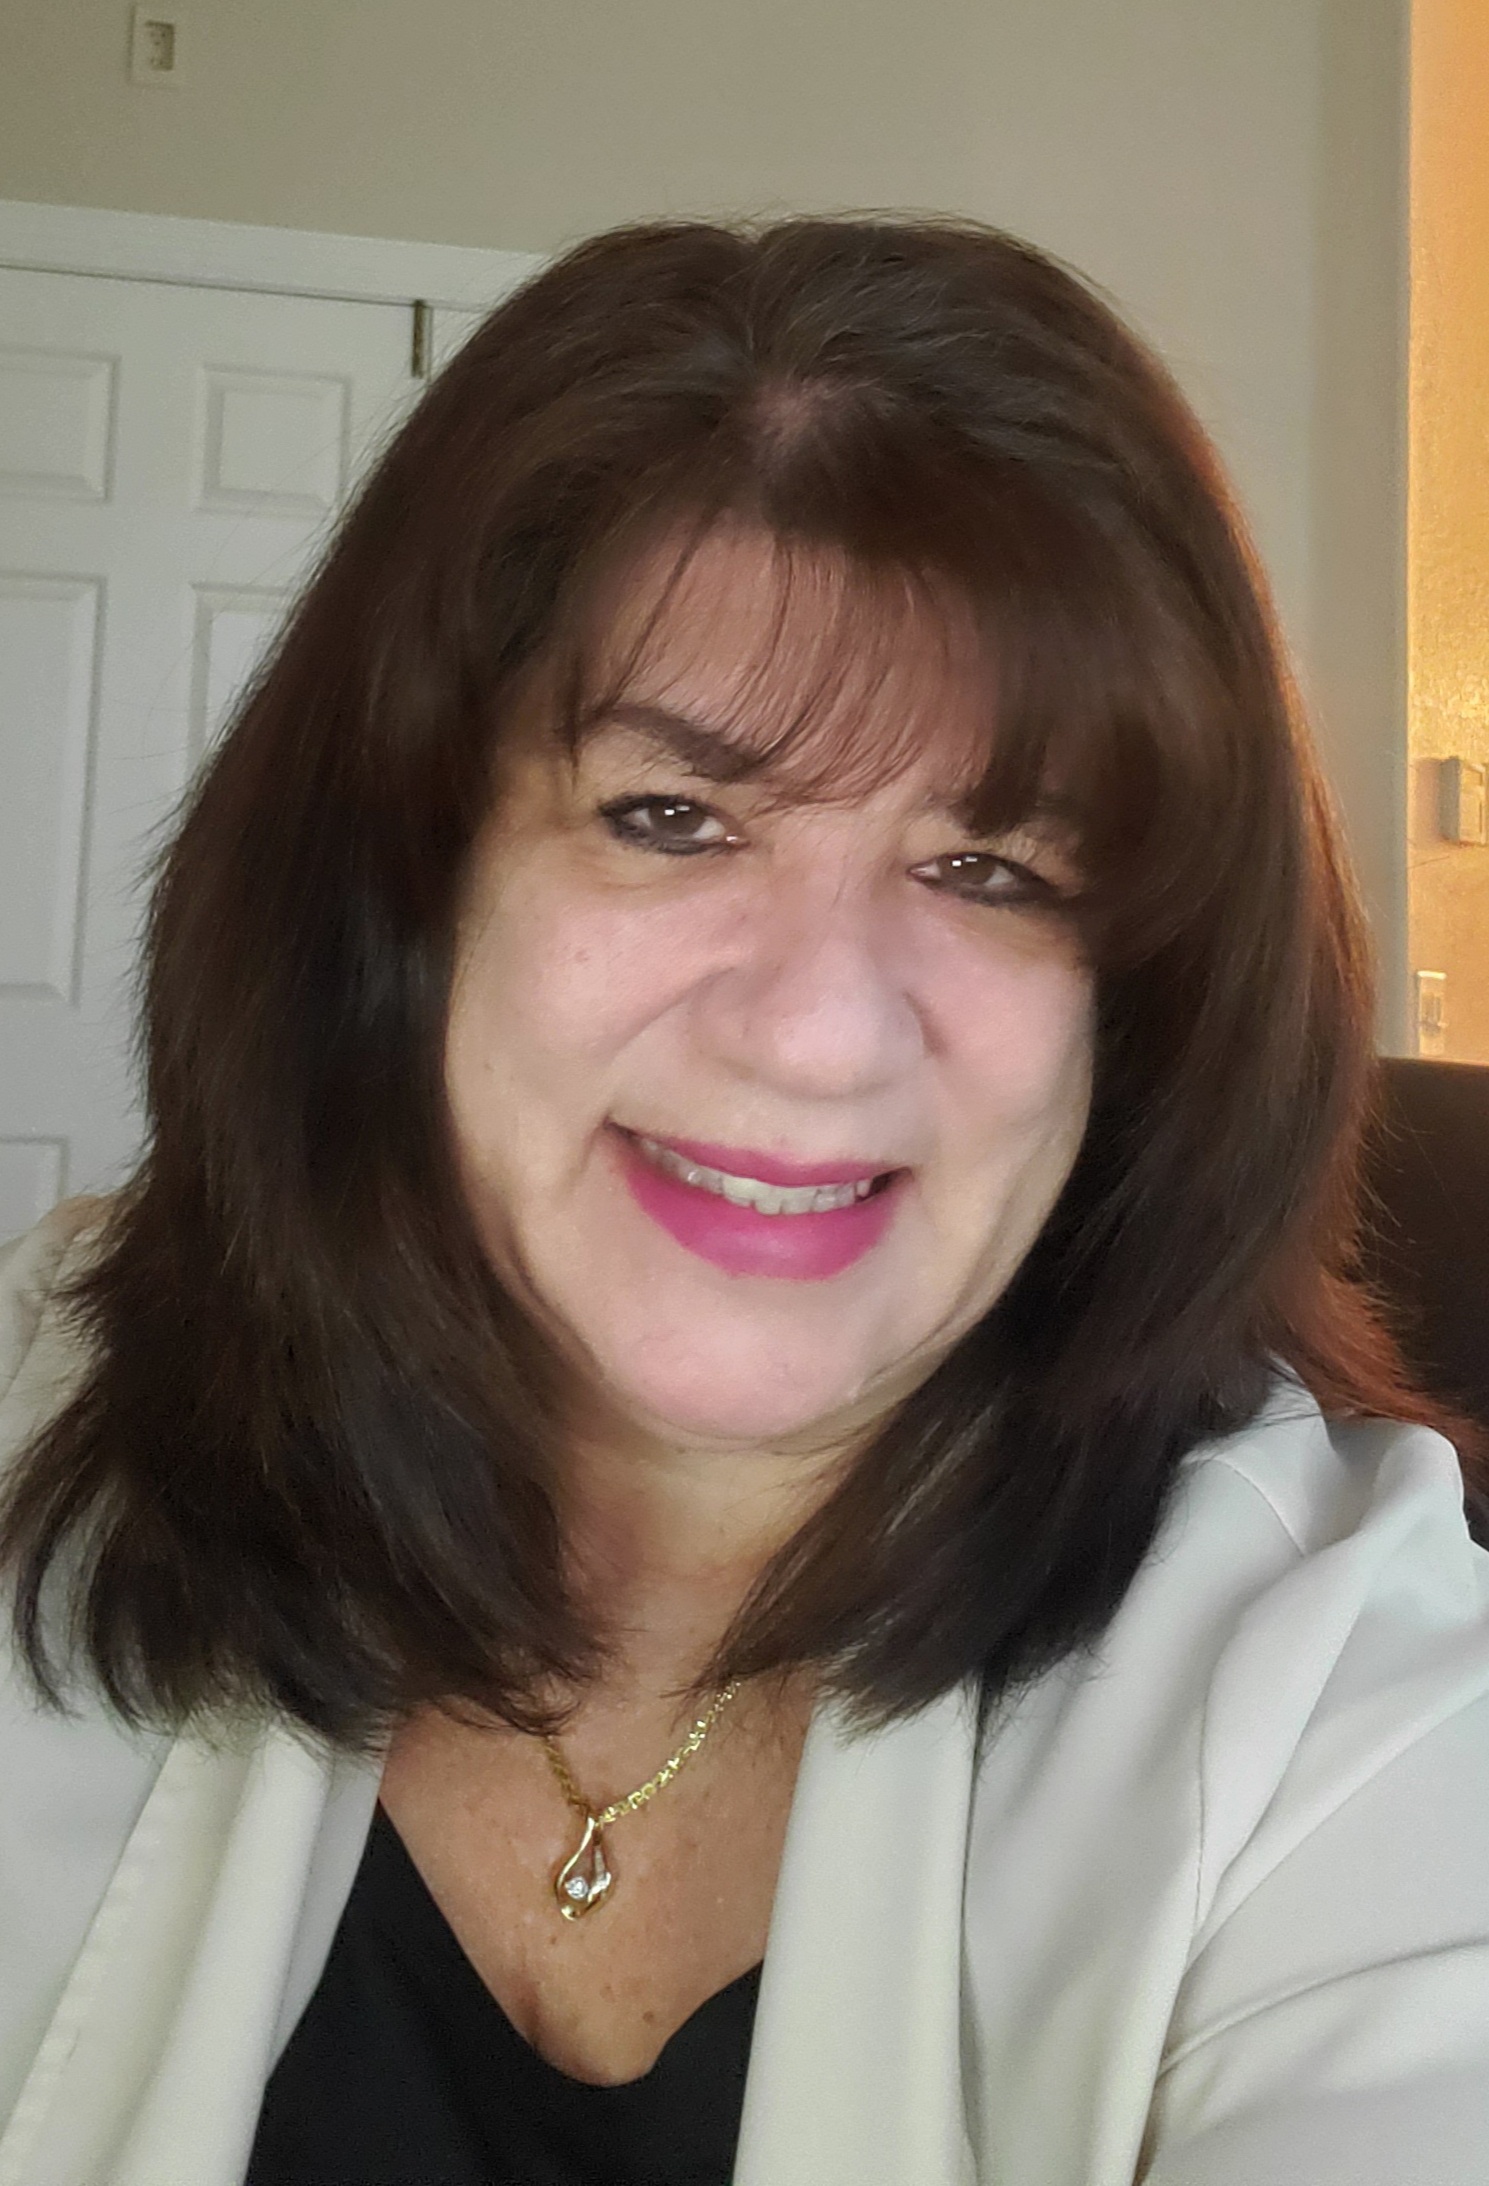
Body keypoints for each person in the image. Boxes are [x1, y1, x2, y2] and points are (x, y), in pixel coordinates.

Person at [1, 216, 1487, 2186]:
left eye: (991, 868)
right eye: (670, 816)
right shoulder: (42, 1417)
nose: (811, 1033)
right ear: (403, 901)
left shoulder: (1344, 1689)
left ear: (1135, 1011)